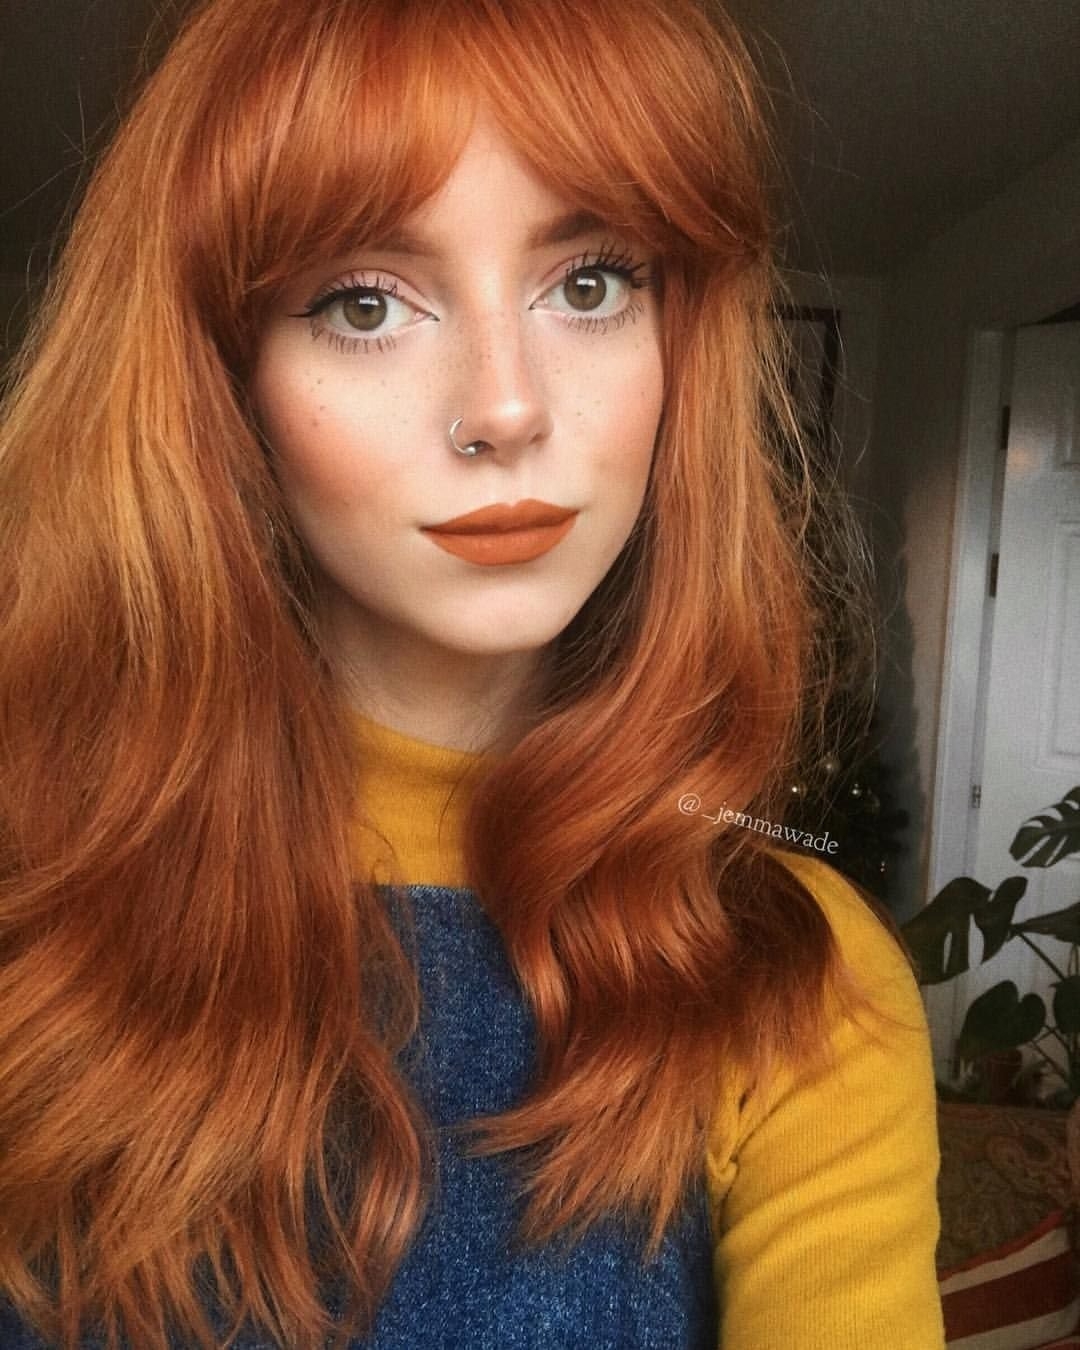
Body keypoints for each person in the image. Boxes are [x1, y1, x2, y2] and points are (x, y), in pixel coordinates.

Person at [0, 0, 945, 1345]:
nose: (506, 407)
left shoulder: (803, 983)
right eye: (365, 302)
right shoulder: (34, 897)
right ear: (224, 383)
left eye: (590, 283)